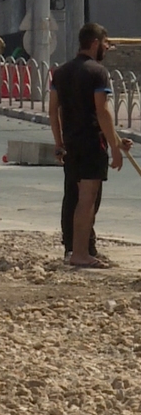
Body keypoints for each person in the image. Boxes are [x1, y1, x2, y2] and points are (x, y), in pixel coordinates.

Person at [49, 23, 132, 269]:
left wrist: (59, 143)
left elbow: (54, 111)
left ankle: (77, 249)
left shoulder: (61, 72)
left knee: (77, 199)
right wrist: (115, 151)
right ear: (95, 43)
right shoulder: (98, 72)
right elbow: (102, 112)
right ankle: (80, 254)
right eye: (105, 44)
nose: (107, 48)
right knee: (87, 200)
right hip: (91, 144)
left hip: (72, 143)